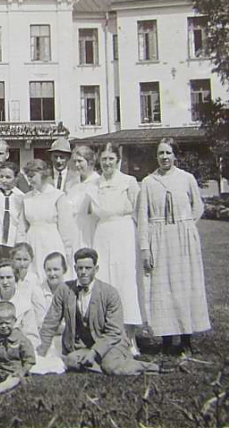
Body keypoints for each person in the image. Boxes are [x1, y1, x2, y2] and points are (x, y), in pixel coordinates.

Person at [37, 248, 162, 375]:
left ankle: (149, 367)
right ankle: (110, 363)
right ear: (75, 269)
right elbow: (50, 324)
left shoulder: (109, 293)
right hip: (82, 347)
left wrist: (94, 352)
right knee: (70, 360)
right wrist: (39, 354)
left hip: (112, 344)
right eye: (80, 268)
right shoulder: (64, 290)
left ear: (96, 269)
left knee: (111, 366)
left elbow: (114, 332)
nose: (84, 272)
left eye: (88, 268)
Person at [137, 138, 209, 357]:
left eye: (168, 153)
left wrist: (186, 225)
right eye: (160, 153)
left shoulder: (186, 179)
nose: (164, 157)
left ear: (175, 155)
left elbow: (198, 206)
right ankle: (167, 340)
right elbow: (142, 217)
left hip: (183, 238)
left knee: (184, 286)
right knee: (162, 288)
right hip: (159, 238)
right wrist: (145, 248)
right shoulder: (149, 182)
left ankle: (186, 339)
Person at [89, 142, 142, 354]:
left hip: (124, 234)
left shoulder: (128, 182)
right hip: (102, 234)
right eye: (104, 159)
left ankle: (130, 338)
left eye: (111, 159)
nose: (107, 163)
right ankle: (108, 337)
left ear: (118, 160)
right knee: (105, 281)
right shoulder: (94, 184)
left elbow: (138, 212)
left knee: (125, 282)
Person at [18, 159, 76, 280]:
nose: (30, 180)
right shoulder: (26, 198)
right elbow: (21, 229)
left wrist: (68, 252)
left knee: (51, 274)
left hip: (51, 242)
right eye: (28, 176)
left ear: (43, 174)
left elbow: (66, 229)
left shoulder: (58, 196)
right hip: (32, 242)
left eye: (33, 176)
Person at [0, 301, 36, 394]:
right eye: (0, 323)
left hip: (15, 373)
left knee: (15, 380)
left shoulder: (21, 339)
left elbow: (30, 360)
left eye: (7, 323)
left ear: (14, 321)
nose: (4, 326)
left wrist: (22, 371)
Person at [0, 260, 39, 348]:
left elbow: (32, 337)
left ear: (16, 279)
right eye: (1, 278)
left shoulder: (25, 306)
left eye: (9, 277)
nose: (5, 282)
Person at [65, 145, 100, 253]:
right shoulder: (71, 184)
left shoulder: (98, 183)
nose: (77, 165)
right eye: (74, 161)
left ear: (90, 162)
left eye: (80, 161)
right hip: (73, 231)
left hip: (90, 232)